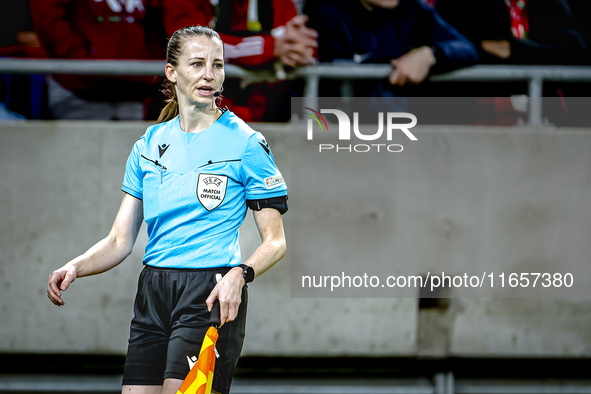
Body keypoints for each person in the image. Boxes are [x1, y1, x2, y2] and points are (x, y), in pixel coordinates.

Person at [46, 25, 288, 394]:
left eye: (218, 65)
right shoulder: (148, 144)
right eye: (197, 64)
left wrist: (240, 274)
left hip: (209, 291)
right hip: (153, 291)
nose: (210, 75)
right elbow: (119, 240)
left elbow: (276, 241)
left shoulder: (246, 144)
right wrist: (75, 266)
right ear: (172, 72)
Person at [161, 0, 318, 121]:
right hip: (198, 120)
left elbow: (300, 44)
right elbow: (189, 44)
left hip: (265, 118)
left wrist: (298, 48)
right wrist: (268, 47)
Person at [306, 0, 478, 97]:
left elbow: (465, 48)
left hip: (398, 132)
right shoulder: (323, 14)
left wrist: (430, 55)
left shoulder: (411, 9)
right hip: (337, 135)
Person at [30, 0, 165, 120]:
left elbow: (176, 16)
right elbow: (48, 19)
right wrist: (82, 62)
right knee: (76, 146)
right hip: (78, 90)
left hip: (139, 90)